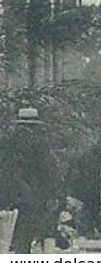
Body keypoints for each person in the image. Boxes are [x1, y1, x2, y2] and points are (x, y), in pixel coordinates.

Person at [0, 107, 60, 253]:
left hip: (8, 196)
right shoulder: (39, 145)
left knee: (7, 235)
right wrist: (51, 194)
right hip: (30, 197)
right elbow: (46, 173)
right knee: (24, 235)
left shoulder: (7, 143)